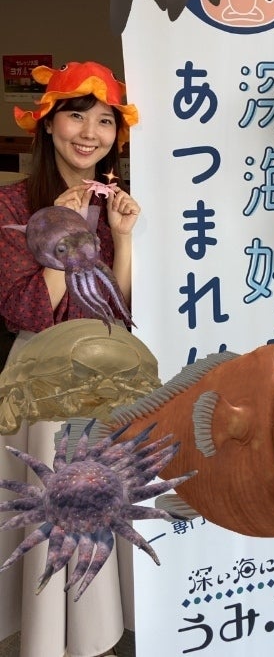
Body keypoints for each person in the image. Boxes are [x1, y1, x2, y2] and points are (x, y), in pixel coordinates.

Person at [0, 61, 140, 657]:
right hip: (42, 377)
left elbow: (121, 308)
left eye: (105, 121)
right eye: (76, 116)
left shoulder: (117, 204)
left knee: (106, 509)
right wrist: (61, 231)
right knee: (54, 510)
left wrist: (122, 238)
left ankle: (100, 636)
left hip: (108, 372)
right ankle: (46, 638)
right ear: (48, 124)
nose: (90, 133)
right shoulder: (12, 203)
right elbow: (25, 310)